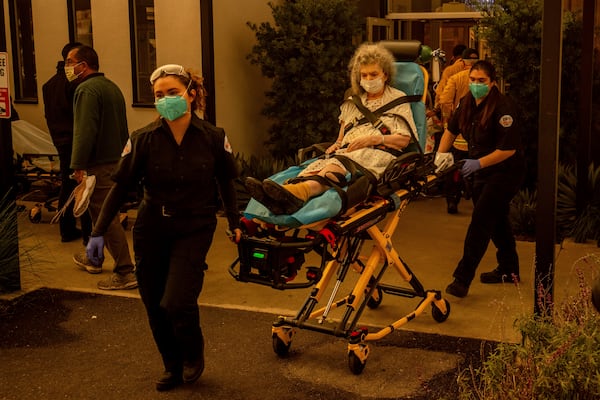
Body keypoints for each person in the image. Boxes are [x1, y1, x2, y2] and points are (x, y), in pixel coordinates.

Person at [85, 64, 242, 391]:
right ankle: (171, 365)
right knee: (154, 301)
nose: (165, 99)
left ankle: (192, 353)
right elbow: (120, 187)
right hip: (152, 226)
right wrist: (97, 232)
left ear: (191, 94)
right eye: (159, 95)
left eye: (172, 93)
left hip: (195, 226)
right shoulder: (142, 139)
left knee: (177, 301)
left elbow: (227, 182)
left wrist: (236, 223)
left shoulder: (213, 137)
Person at [245, 42, 417, 215]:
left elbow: (404, 139)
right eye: (364, 75)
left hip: (377, 153)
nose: (369, 80)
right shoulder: (353, 101)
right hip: (349, 152)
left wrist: (374, 139)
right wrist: (336, 144)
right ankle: (284, 195)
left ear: (385, 75)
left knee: (335, 167)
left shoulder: (398, 99)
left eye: (374, 74)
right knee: (317, 166)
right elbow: (342, 137)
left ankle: (298, 193)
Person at [435, 60, 525, 298]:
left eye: (481, 81)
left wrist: (477, 163)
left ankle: (462, 279)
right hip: (479, 172)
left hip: (504, 172)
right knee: (496, 221)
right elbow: (451, 130)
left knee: (481, 221)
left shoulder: (504, 107)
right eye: (473, 80)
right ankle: (509, 268)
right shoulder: (466, 102)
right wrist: (441, 155)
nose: (476, 85)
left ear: (492, 82)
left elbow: (508, 149)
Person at [66, 44, 137, 290]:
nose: (67, 67)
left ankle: (125, 271)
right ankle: (94, 257)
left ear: (83, 65)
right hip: (116, 160)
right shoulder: (111, 87)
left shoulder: (86, 90)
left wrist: (77, 165)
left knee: (106, 217)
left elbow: (84, 132)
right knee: (99, 214)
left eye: (69, 61)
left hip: (98, 165)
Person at [42, 42, 93, 243]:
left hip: (59, 140)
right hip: (75, 140)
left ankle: (66, 228)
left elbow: (49, 115)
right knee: (83, 184)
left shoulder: (49, 85)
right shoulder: (75, 84)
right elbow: (81, 116)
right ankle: (85, 233)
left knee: (67, 183)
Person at [437, 48, 480, 214]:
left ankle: (452, 201)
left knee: (454, 168)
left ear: (462, 61)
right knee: (478, 167)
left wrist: (448, 120)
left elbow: (444, 99)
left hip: (459, 132)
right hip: (478, 134)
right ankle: (477, 199)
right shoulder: (485, 80)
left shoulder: (454, 76)